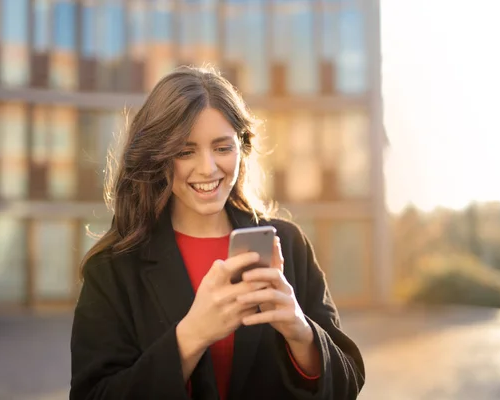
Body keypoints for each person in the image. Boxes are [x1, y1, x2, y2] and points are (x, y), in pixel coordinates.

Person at [70, 66, 365, 400]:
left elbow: (348, 383)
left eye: (223, 148)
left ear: (242, 147)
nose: (208, 168)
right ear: (157, 156)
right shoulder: (113, 267)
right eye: (185, 151)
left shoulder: (289, 245)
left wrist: (301, 331)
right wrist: (190, 337)